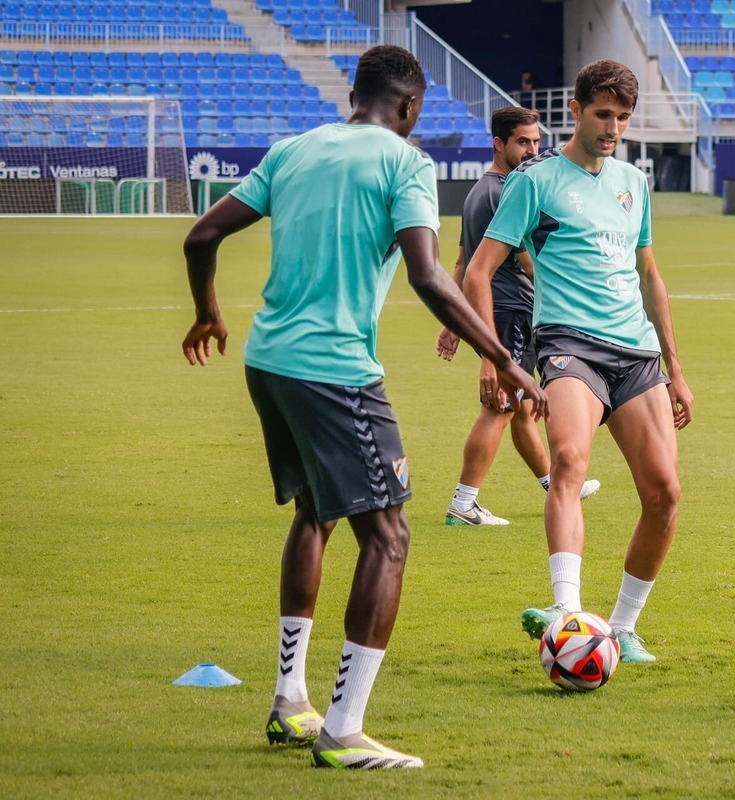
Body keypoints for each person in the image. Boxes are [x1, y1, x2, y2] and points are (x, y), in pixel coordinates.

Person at [180, 45, 546, 770]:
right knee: (389, 537)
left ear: (355, 93)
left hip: (268, 360)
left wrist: (208, 313)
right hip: (335, 371)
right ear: (410, 108)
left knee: (315, 513)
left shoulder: (292, 149)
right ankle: (343, 729)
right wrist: (503, 357)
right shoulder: (405, 163)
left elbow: (202, 235)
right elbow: (429, 275)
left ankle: (291, 702)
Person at [462, 59, 695, 663]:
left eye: (622, 117)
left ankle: (619, 627)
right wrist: (491, 358)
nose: (613, 126)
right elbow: (477, 272)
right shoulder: (535, 181)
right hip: (569, 345)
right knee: (567, 459)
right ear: (577, 110)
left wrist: (676, 370)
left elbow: (649, 274)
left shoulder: (632, 182)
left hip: (637, 352)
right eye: (603, 114)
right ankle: (565, 613)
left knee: (665, 494)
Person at [435, 106, 600, 526]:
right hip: (509, 312)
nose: (532, 150)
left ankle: (559, 485)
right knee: (502, 406)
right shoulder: (510, 190)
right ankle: (463, 502)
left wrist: (454, 321)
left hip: (496, 311)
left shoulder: (478, 192)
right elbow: (530, 265)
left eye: (535, 141)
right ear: (499, 144)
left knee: (525, 407)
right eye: (522, 142)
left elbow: (461, 261)